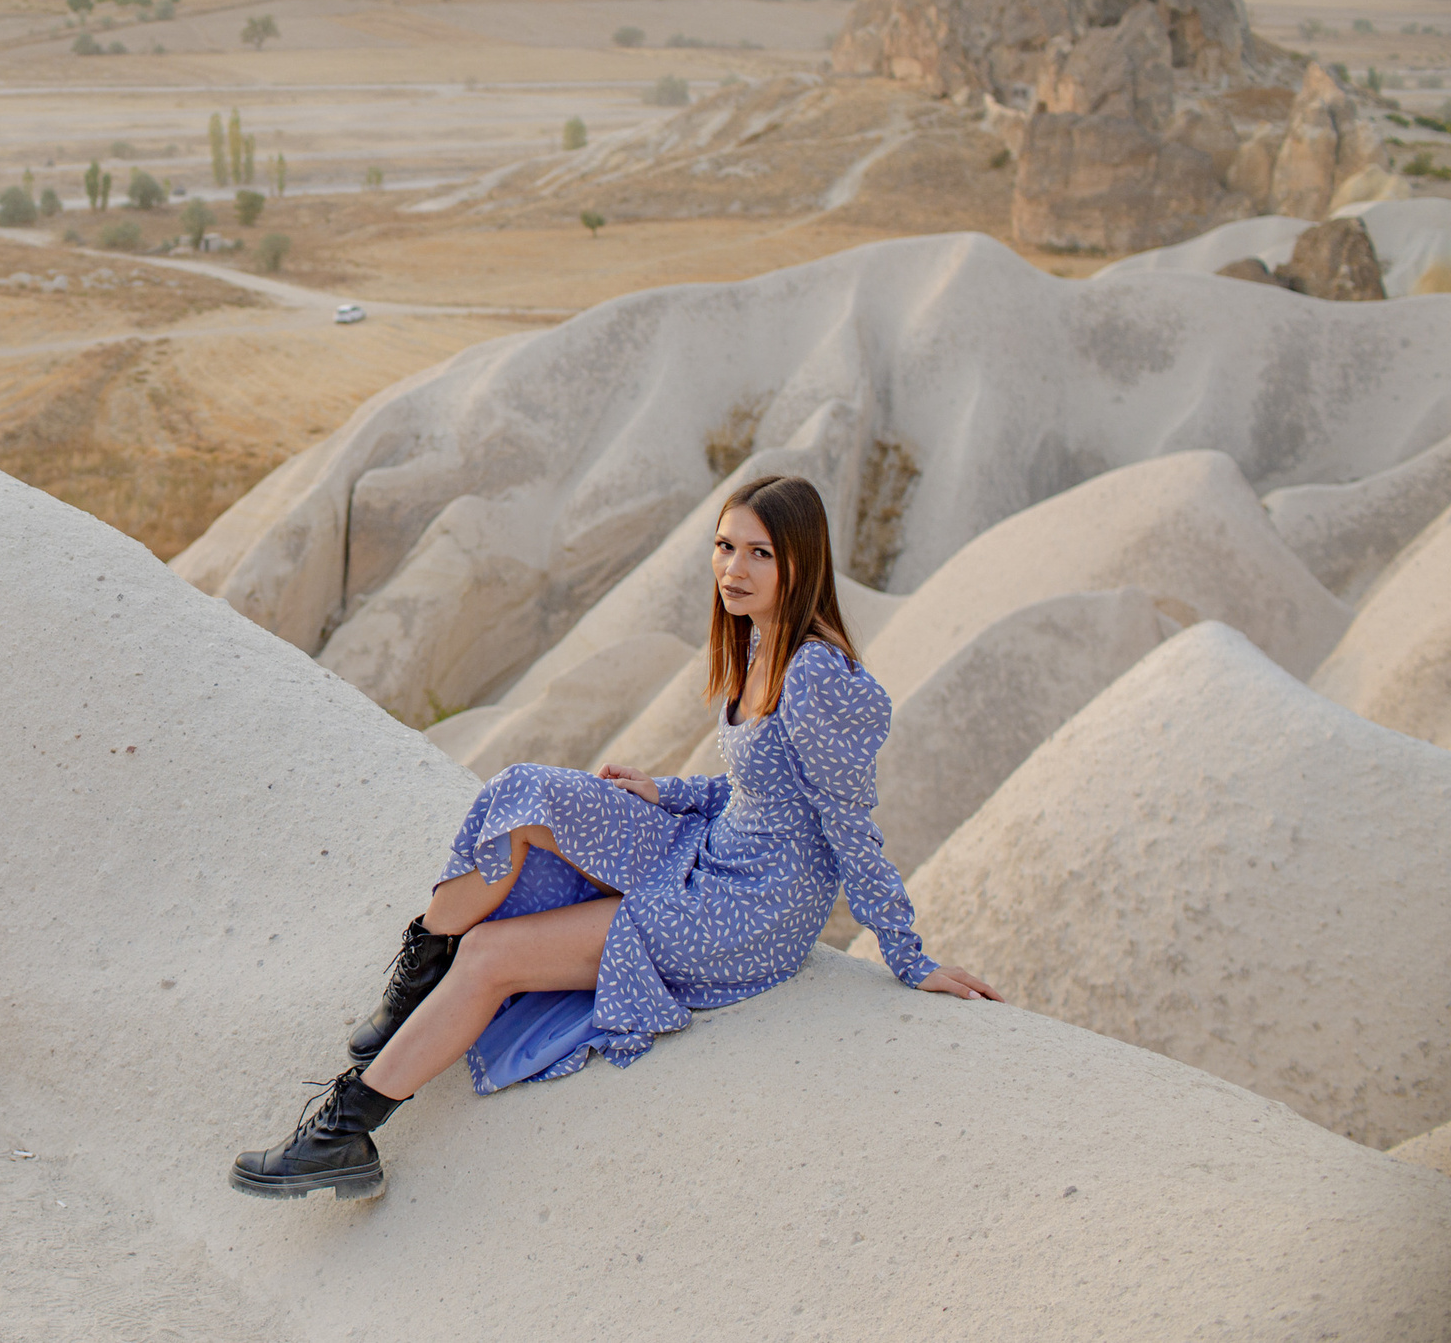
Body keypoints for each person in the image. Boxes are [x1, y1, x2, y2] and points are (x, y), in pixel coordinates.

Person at [230, 474, 1003, 1200]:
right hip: (713, 847)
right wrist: (663, 791)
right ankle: (417, 973)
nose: (734, 568)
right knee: (524, 793)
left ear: (803, 562)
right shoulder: (763, 643)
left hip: (751, 907)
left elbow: (848, 827)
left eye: (760, 553)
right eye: (726, 546)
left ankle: (346, 1131)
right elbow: (761, 792)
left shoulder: (819, 675)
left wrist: (912, 957)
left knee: (494, 955)